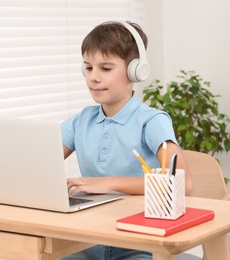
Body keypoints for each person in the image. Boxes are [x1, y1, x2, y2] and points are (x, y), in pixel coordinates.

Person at [61, 21, 193, 260]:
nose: (94, 77)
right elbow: (37, 161)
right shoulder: (81, 121)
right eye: (88, 68)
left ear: (135, 72)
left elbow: (183, 185)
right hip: (86, 242)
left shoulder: (152, 122)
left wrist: (109, 183)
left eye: (106, 68)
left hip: (139, 245)